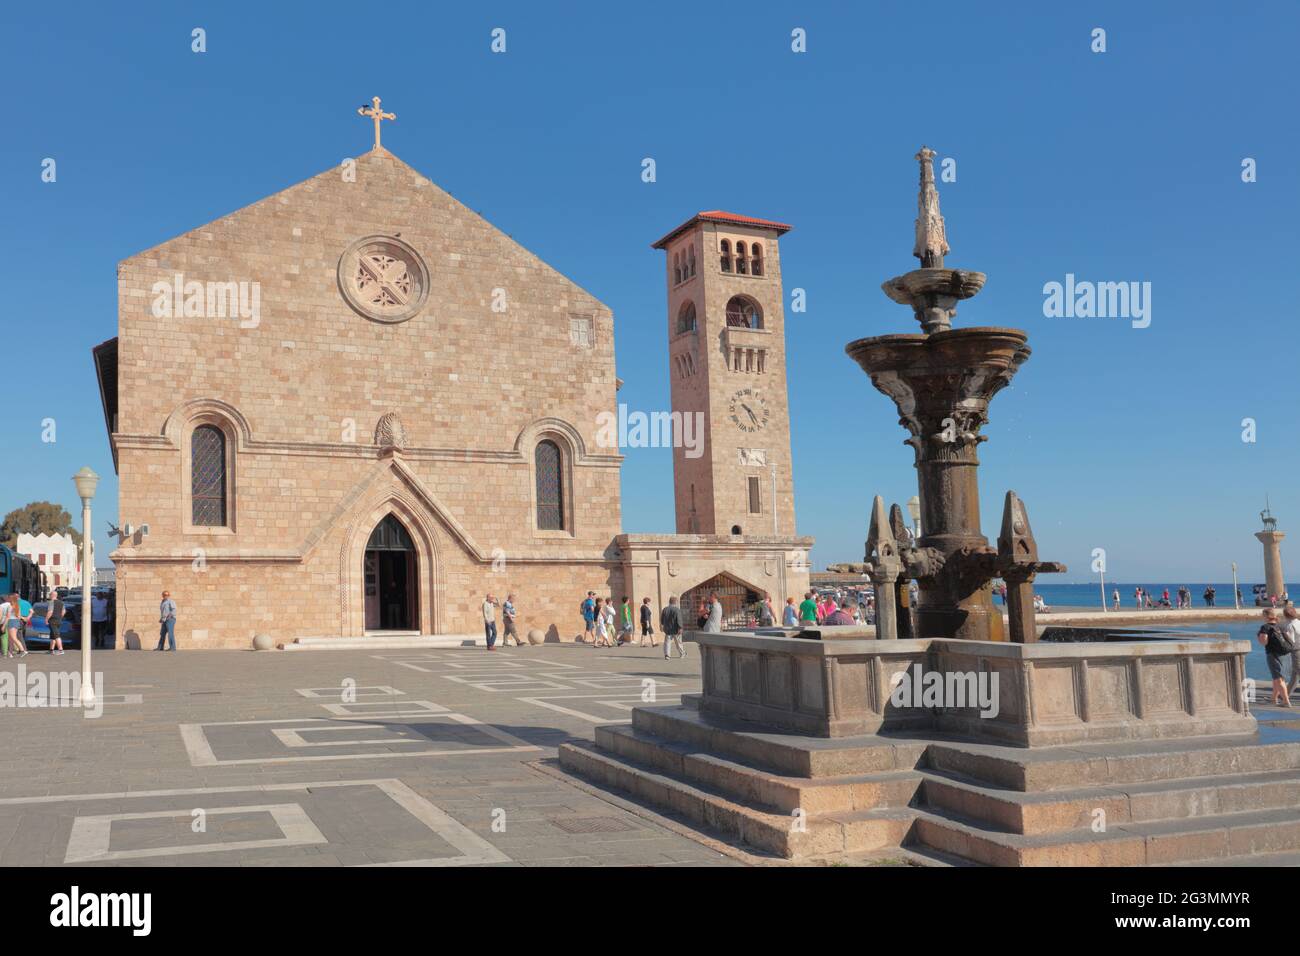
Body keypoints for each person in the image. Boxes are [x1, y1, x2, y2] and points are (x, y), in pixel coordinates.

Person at [1258, 608, 1294, 707]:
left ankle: (1286, 701)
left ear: (1266, 616)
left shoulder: (1265, 627)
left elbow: (1264, 642)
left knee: (1278, 678)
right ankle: (1273, 699)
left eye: (1263, 615)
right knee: (1277, 677)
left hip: (1273, 654)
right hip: (1285, 654)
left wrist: (1259, 638)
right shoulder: (1280, 626)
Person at [660, 595, 685, 659]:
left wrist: (662, 625)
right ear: (675, 602)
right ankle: (682, 653)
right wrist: (680, 627)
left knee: (667, 642)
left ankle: (667, 655)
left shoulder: (665, 609)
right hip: (676, 629)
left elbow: (662, 619)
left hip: (668, 629)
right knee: (678, 642)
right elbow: (679, 619)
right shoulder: (677, 610)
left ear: (669, 602)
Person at [1285, 605, 1300, 696]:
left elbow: (1291, 641)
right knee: (1295, 675)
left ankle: (1285, 696)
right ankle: (1285, 695)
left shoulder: (1290, 626)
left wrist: (1284, 636)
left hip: (1297, 651)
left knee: (1297, 673)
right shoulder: (1298, 622)